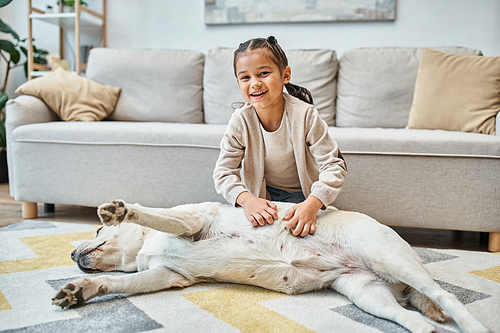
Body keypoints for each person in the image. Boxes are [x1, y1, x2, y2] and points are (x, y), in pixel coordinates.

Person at [213, 36, 347, 237]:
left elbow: (334, 166)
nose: (255, 83)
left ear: (285, 75)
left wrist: (312, 204)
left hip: (302, 197)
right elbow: (223, 173)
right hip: (260, 198)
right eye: (245, 77)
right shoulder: (240, 121)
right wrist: (247, 200)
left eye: (264, 73)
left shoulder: (305, 115)